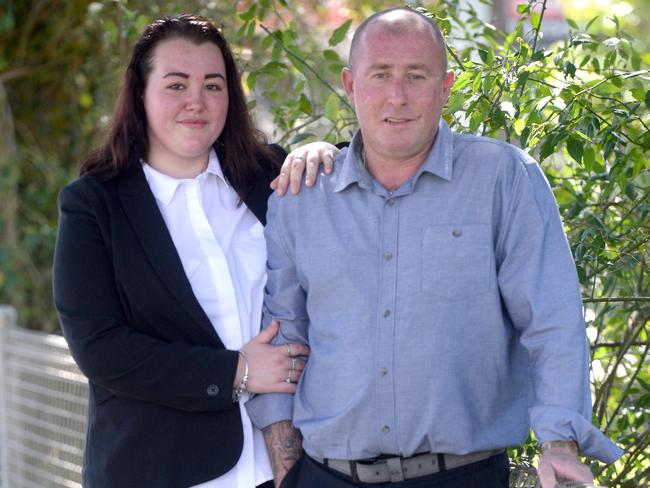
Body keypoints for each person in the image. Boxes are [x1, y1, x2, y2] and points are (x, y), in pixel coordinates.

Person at [246, 7, 623, 488]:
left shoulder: (502, 179)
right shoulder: (301, 198)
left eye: (416, 75)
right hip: (325, 476)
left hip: (462, 477)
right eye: (380, 75)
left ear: (444, 86)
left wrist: (559, 443)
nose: (397, 96)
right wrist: (283, 457)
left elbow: (551, 321)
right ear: (351, 84)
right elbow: (285, 331)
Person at [53, 14, 340, 488]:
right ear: (140, 95)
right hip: (160, 470)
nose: (196, 102)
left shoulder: (267, 176)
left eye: (212, 85)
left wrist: (319, 147)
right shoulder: (93, 205)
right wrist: (237, 372)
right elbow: (100, 347)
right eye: (176, 84)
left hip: (283, 469)